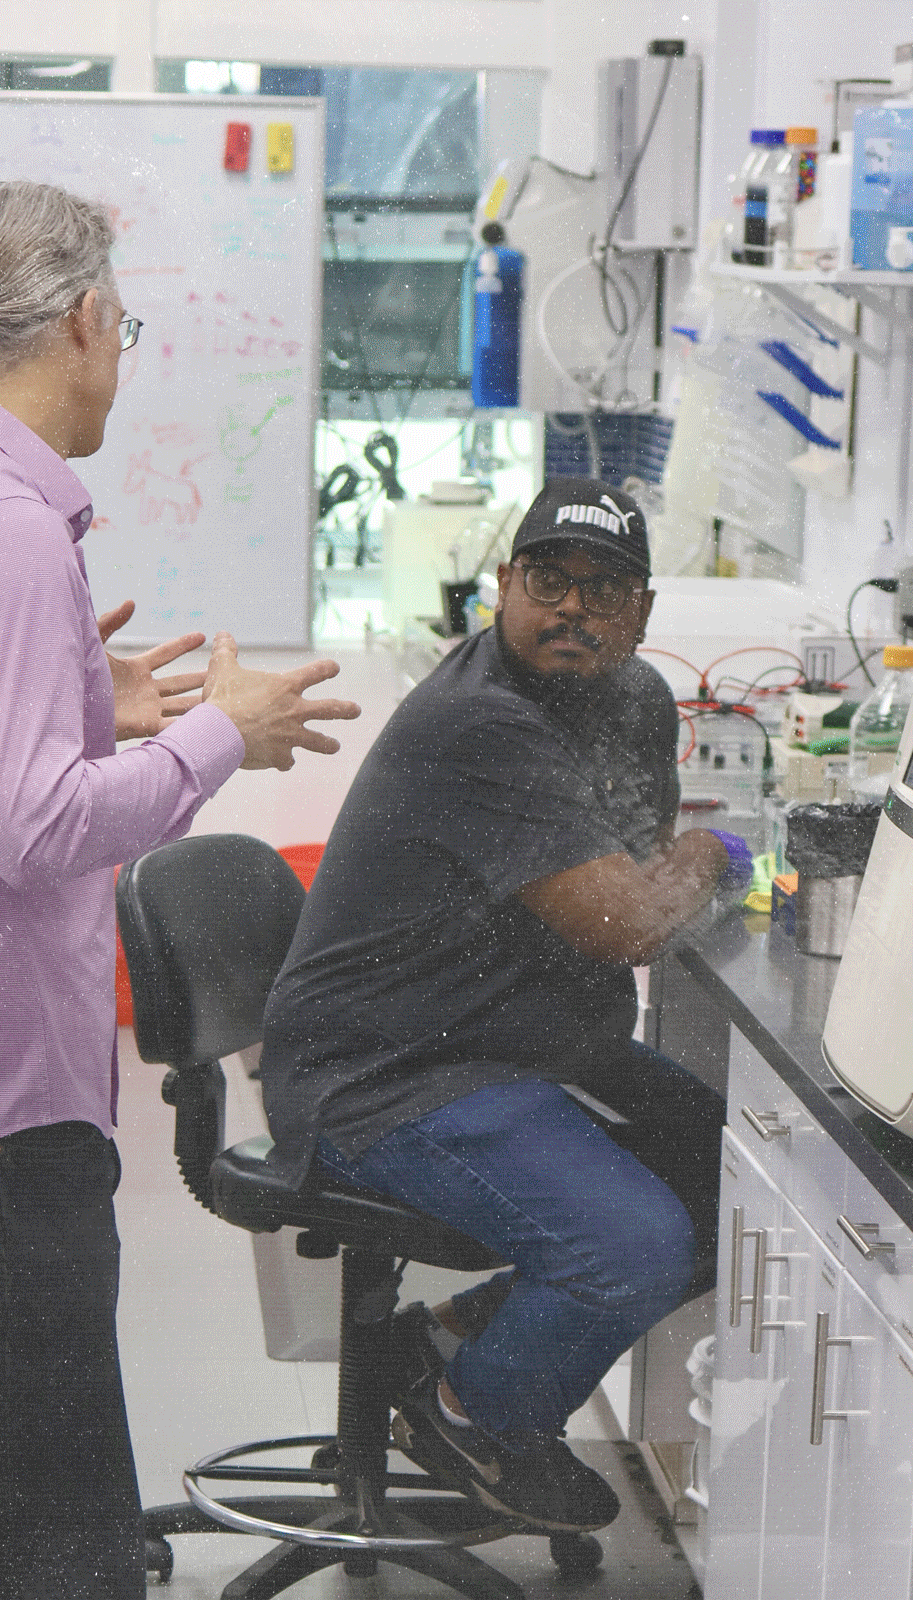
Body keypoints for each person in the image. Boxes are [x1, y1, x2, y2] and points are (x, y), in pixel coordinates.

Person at [0, 180, 360, 1600]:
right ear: (84, 319)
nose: (121, 351)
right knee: (33, 1533)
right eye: (122, 325)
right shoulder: (1, 535)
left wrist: (79, 698)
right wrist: (212, 736)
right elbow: (39, 826)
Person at [260, 477, 752, 1535]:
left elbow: (629, 878)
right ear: (502, 585)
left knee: (733, 1189)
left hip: (508, 1040)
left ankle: (433, 1345)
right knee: (634, 1244)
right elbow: (629, 920)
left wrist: (675, 874)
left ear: (643, 613)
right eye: (548, 578)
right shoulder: (478, 724)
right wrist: (723, 852)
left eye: (605, 588)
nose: (573, 607)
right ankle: (471, 1414)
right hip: (382, 1072)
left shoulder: (634, 700)